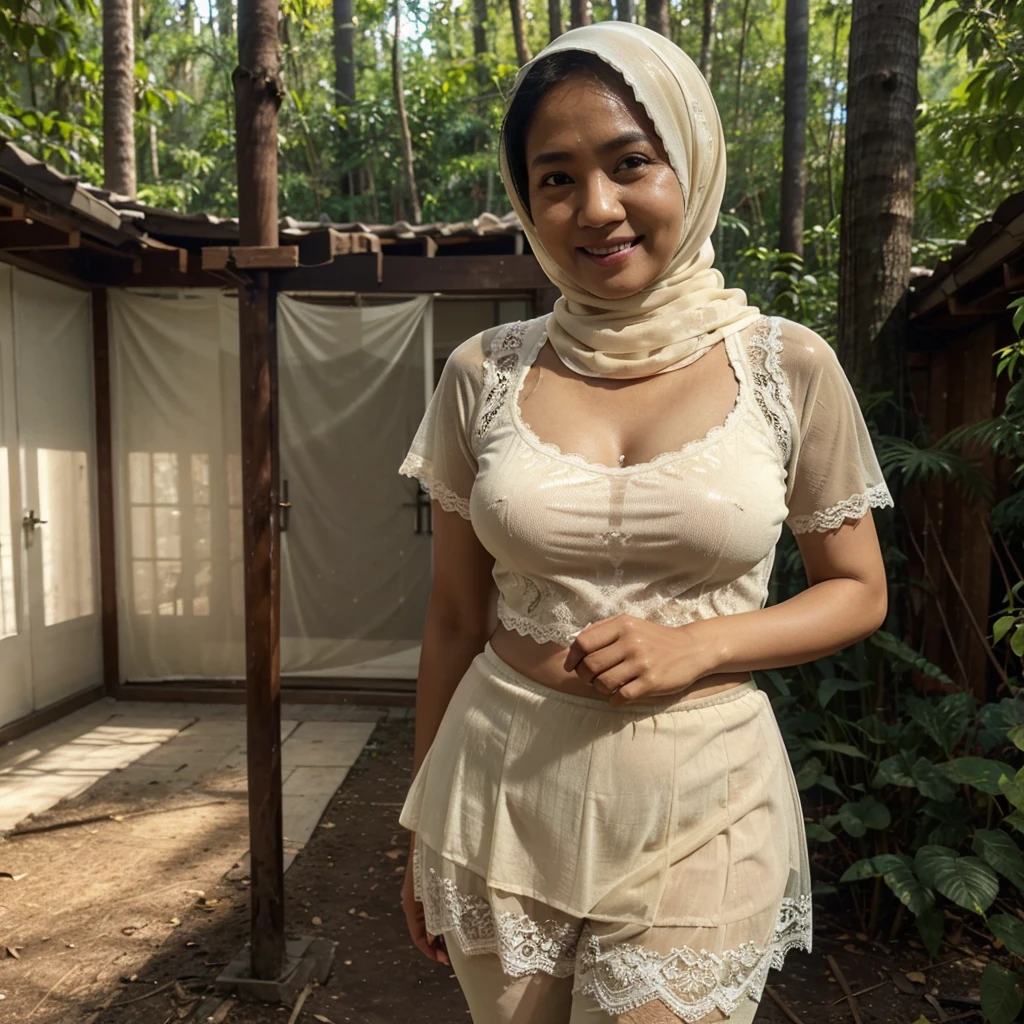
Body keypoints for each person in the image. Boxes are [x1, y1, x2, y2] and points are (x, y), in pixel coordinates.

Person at [397, 21, 892, 1024]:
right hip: (497, 788)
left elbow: (857, 589)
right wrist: (420, 826)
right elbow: (453, 616)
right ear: (527, 199)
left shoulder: (786, 366)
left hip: (702, 794)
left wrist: (697, 644)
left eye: (630, 162)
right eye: (554, 178)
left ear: (691, 162)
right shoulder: (480, 372)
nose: (596, 207)